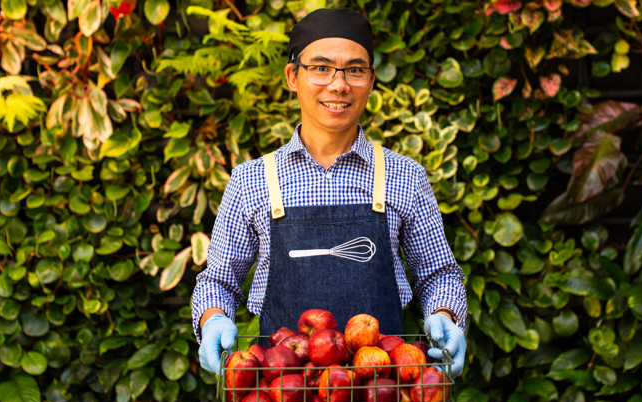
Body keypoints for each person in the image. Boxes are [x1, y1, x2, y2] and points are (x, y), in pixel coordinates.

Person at [190, 8, 468, 379]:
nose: (339, 85)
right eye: (321, 68)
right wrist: (213, 319)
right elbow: (218, 282)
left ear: (370, 80)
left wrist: (445, 315)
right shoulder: (251, 181)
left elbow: (439, 274)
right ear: (293, 76)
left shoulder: (405, 177)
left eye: (355, 70)